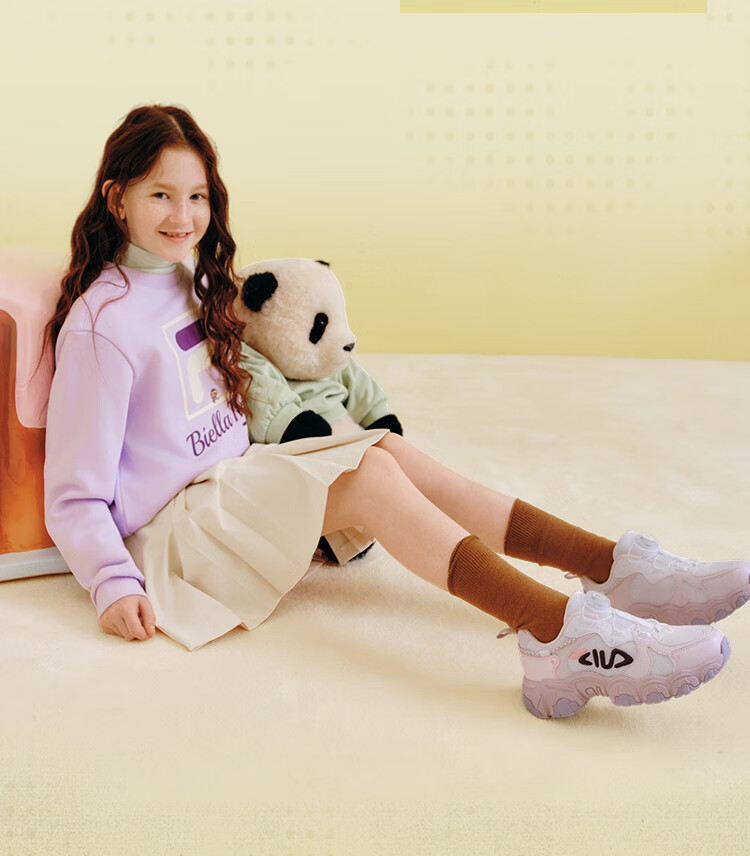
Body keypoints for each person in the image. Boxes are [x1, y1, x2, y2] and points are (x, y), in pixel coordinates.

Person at [43, 104, 748, 720]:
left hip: (233, 488)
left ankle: (612, 568)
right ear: (117, 198)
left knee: (385, 450)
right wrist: (111, 583)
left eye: (196, 196)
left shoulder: (186, 277)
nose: (183, 216)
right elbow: (73, 496)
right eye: (161, 194)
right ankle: (559, 635)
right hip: (176, 537)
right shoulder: (102, 327)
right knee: (371, 479)